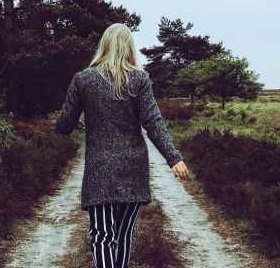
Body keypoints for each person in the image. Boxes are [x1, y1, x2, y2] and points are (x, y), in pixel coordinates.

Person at [54, 23, 191, 268]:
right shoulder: (139, 79)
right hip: (133, 169)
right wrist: (174, 158)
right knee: (123, 235)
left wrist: (75, 111)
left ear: (104, 45)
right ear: (129, 47)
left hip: (100, 170)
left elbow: (63, 125)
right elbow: (154, 123)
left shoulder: (83, 80)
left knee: (102, 236)